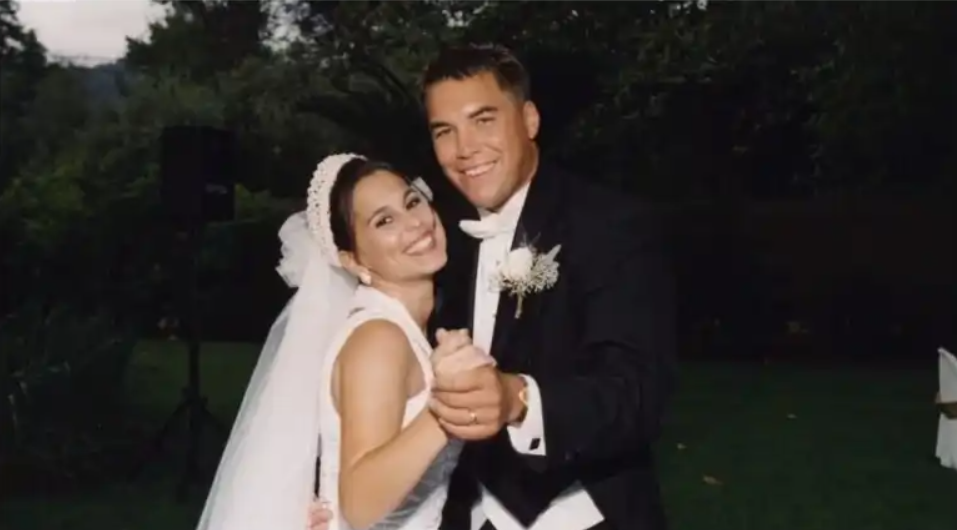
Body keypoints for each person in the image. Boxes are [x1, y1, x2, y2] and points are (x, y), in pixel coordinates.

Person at [310, 44, 677, 530]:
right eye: (445, 131)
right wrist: (325, 499)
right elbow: (368, 406)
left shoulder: (609, 224)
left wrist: (519, 400)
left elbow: (638, 393)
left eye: (483, 120)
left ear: (529, 119)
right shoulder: (438, 243)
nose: (464, 149)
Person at [196, 153, 495, 530]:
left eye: (412, 202)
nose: (415, 223)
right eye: (384, 221)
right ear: (352, 260)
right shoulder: (379, 339)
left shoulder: (403, 329)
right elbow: (359, 502)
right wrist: (449, 408)